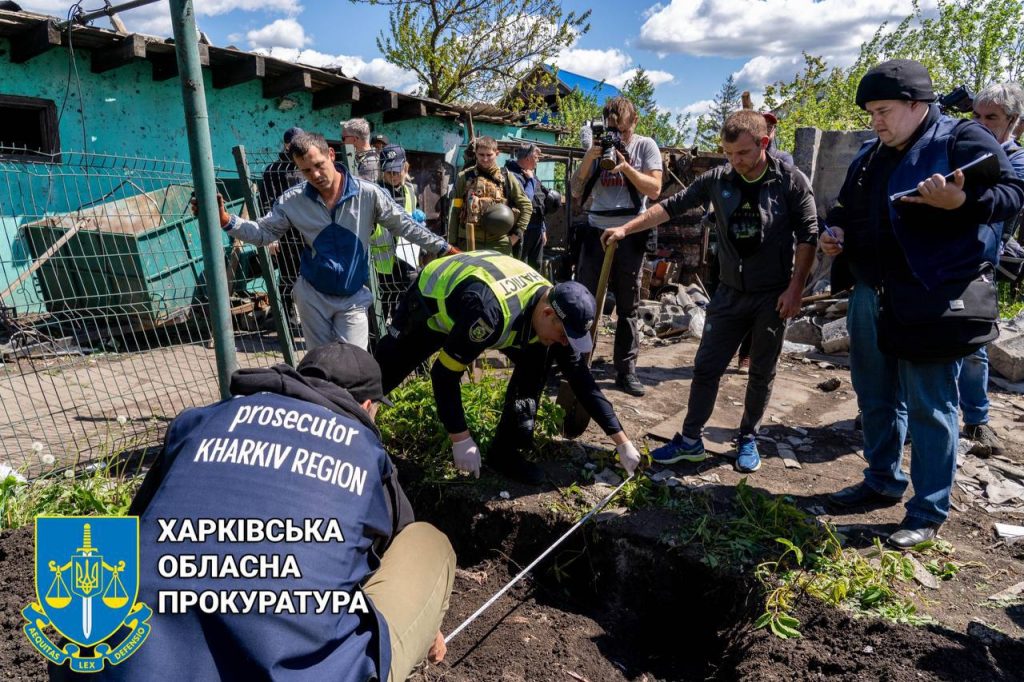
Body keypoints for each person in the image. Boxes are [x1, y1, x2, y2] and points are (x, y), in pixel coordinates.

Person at [78, 342, 455, 682]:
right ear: (368, 406)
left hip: (112, 663)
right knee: (426, 541)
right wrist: (424, 626)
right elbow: (392, 546)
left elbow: (131, 526)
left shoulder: (201, 420)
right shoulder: (366, 454)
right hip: (285, 670)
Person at [820, 60, 1024, 547]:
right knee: (875, 394)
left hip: (931, 296)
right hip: (872, 293)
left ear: (918, 105)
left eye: (884, 111)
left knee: (931, 404)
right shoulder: (871, 155)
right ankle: (881, 480)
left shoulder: (963, 140)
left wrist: (961, 204)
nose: (876, 121)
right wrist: (837, 234)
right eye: (871, 112)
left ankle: (928, 510)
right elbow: (845, 208)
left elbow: (1013, 193)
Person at [602, 109, 817, 474]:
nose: (735, 162)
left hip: (772, 295)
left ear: (764, 144)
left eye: (743, 154)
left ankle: (748, 437)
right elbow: (669, 207)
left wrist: (795, 289)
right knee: (705, 368)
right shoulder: (719, 179)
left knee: (761, 372)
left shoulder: (789, 181)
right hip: (729, 292)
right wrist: (627, 229)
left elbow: (809, 233)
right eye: (728, 154)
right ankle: (690, 441)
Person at [373, 251, 642, 485]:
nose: (564, 342)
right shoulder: (489, 315)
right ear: (548, 314)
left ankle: (505, 452)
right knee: (386, 371)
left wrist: (621, 440)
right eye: (564, 334)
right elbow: (443, 374)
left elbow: (580, 378)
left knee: (540, 356)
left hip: (481, 298)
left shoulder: (554, 309)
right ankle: (355, 429)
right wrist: (461, 439)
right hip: (432, 300)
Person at [200, 131, 457, 350]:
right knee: (320, 367)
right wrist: (226, 220)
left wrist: (443, 247)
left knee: (352, 366)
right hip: (312, 296)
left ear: (331, 156)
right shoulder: (293, 201)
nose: (315, 174)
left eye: (319, 164)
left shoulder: (367, 194)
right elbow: (263, 232)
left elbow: (405, 224)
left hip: (353, 296)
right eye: (306, 170)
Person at [570, 96, 663, 397]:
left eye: (622, 130)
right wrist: (591, 154)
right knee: (585, 300)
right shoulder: (596, 145)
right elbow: (575, 190)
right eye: (613, 130)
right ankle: (578, 364)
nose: (617, 136)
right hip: (596, 229)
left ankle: (626, 370)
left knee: (628, 304)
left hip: (630, 232)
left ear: (634, 123)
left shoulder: (645, 146)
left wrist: (625, 167)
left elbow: (654, 189)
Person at [959, 81, 1024, 458]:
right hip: (947, 260)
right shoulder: (962, 151)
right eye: (977, 116)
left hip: (981, 263)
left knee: (974, 344)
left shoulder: (1014, 160)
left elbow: (1001, 203)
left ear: (1012, 121)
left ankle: (977, 419)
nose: (982, 124)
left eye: (992, 118)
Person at [448, 136, 532, 255]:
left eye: (489, 155)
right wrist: (452, 243)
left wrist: (516, 236)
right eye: (481, 155)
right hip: (469, 241)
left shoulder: (506, 177)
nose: (485, 159)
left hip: (499, 243)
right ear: (475, 154)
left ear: (497, 153)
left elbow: (526, 206)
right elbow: (455, 210)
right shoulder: (464, 177)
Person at [258, 126, 305, 323]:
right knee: (287, 277)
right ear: (287, 145)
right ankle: (287, 318)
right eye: (294, 143)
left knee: (311, 276)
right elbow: (266, 203)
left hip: (307, 233)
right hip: (285, 235)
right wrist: (272, 236)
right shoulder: (273, 171)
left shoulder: (306, 168)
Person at [371, 144, 422, 323]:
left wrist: (419, 220)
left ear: (405, 167)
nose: (393, 176)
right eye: (388, 172)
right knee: (379, 310)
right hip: (381, 262)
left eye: (397, 171)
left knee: (405, 308)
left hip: (406, 258)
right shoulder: (374, 191)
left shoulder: (411, 190)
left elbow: (416, 221)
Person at [505, 142, 552, 270]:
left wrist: (542, 229)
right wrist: (530, 181)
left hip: (536, 229)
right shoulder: (512, 175)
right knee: (521, 266)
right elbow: (526, 200)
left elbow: (539, 201)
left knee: (536, 266)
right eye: (536, 158)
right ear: (528, 158)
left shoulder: (531, 174)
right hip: (522, 230)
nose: (538, 161)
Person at [342, 118, 380, 183]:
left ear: (354, 139)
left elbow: (361, 189)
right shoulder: (359, 156)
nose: (342, 142)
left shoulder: (370, 161)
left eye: (343, 138)